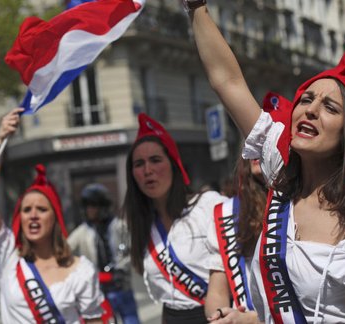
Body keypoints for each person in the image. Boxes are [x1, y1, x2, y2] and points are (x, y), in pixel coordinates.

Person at [187, 2, 345, 323]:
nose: (310, 109)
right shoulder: (280, 172)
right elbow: (227, 80)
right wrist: (195, 7)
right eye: (306, 99)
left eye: (330, 107)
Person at [0, 107, 104, 323]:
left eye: (42, 210)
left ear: (55, 218)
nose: (33, 215)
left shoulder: (81, 270)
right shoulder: (7, 254)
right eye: (26, 210)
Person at [122, 112, 226, 323]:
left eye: (155, 160)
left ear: (173, 164)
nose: (148, 170)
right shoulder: (141, 225)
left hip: (217, 315)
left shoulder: (208, 205)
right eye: (139, 164)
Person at [204, 93, 290, 321]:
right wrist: (220, 315)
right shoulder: (226, 213)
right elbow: (217, 290)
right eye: (252, 136)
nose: (257, 143)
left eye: (268, 137)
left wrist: (253, 320)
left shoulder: (303, 206)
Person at [67, 183, 140, 324]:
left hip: (121, 285)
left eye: (93, 206)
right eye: (87, 206)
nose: (89, 210)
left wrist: (121, 267)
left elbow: (131, 250)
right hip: (97, 289)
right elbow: (65, 249)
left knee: (131, 320)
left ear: (103, 206)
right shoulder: (82, 231)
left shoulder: (119, 226)